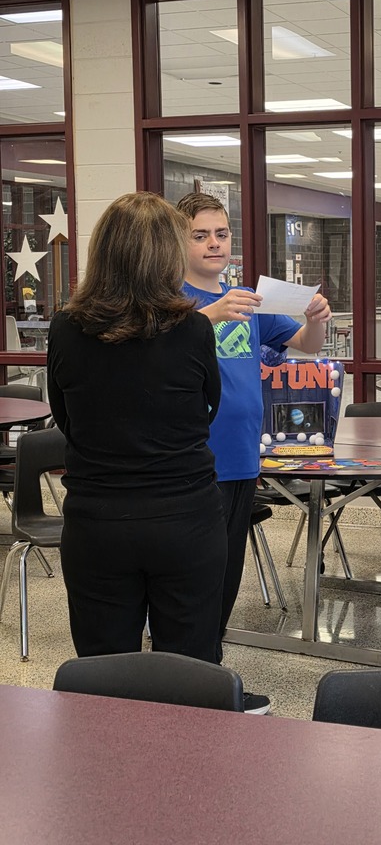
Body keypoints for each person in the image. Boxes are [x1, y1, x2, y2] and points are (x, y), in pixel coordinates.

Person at [47, 192, 226, 664]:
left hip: (97, 521)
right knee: (189, 668)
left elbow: (64, 416)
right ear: (167, 256)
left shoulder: (66, 327)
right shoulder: (193, 329)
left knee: (104, 674)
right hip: (185, 518)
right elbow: (209, 409)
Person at [176, 192, 331, 711]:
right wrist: (209, 315)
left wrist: (316, 317)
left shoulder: (246, 300)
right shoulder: (170, 301)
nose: (214, 243)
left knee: (225, 577)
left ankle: (207, 674)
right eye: (201, 235)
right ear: (180, 240)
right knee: (193, 579)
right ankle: (191, 680)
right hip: (193, 462)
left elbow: (308, 345)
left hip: (243, 459)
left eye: (221, 233)